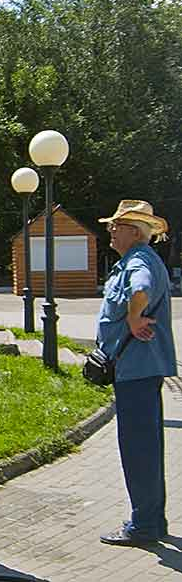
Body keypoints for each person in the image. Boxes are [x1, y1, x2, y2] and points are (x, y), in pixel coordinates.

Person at [95, 200, 176, 547]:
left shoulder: (139, 261)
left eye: (117, 226)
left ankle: (143, 526)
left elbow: (140, 288)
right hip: (139, 370)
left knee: (138, 449)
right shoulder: (137, 259)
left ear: (135, 231)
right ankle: (152, 520)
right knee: (146, 447)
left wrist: (132, 316)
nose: (111, 231)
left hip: (136, 372)